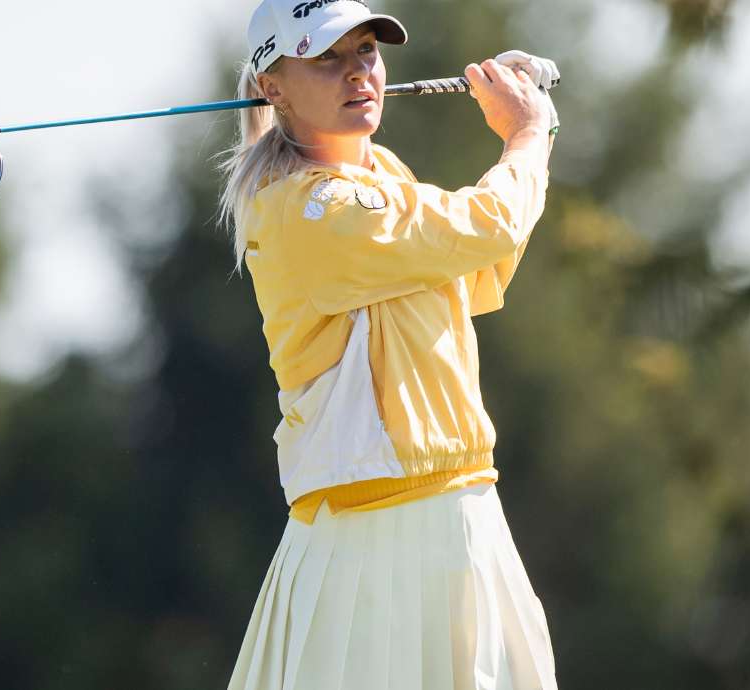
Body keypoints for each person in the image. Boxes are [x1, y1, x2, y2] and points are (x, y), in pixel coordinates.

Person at [220, 1, 559, 688]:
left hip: (462, 518)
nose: (358, 74)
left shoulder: (383, 179)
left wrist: (527, 140)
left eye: (367, 52)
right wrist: (528, 135)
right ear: (272, 86)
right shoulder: (306, 208)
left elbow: (478, 268)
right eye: (326, 58)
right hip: (367, 544)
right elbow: (486, 227)